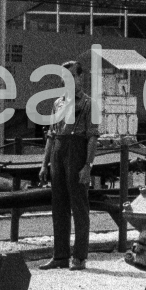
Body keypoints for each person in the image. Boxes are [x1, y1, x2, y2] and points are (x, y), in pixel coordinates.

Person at [39, 59, 99, 270]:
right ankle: (60, 256)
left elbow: (93, 137)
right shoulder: (58, 103)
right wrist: (44, 164)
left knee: (79, 207)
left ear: (80, 77)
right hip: (58, 151)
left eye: (72, 76)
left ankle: (80, 256)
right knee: (59, 207)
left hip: (78, 150)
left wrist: (88, 165)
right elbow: (51, 135)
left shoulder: (90, 104)